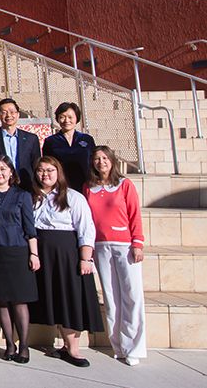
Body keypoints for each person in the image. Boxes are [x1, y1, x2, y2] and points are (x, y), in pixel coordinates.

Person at [30, 156, 102, 368]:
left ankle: (74, 349)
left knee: (70, 297)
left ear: (58, 172)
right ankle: (63, 345)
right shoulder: (32, 197)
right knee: (55, 298)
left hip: (67, 253)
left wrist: (85, 258)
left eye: (50, 170)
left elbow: (86, 228)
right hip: (43, 252)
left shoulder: (73, 197)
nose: (45, 174)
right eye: (41, 170)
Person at [84, 146, 146, 366]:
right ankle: (118, 345)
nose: (101, 162)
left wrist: (137, 243)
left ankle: (134, 347)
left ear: (111, 161)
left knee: (131, 295)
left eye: (104, 158)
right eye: (96, 159)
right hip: (101, 246)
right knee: (111, 297)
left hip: (124, 245)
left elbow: (134, 215)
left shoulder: (124, 185)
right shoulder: (88, 187)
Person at [0, 155, 39, 364]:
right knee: (1, 301)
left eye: (4, 169)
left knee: (19, 301)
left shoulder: (22, 196)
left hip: (18, 252)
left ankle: (24, 345)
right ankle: (10, 344)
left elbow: (29, 228)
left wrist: (34, 253)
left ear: (11, 172)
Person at [0, 99, 41, 190]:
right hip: (0, 187)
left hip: (27, 187)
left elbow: (36, 164)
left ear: (18, 114)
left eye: (12, 112)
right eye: (4, 112)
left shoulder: (31, 139)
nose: (9, 115)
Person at [42, 102, 94, 192]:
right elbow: (47, 164)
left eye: (70, 117)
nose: (66, 120)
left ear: (76, 118)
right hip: (60, 187)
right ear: (57, 119)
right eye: (62, 117)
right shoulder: (50, 141)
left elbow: (93, 161)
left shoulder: (87, 139)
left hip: (85, 185)